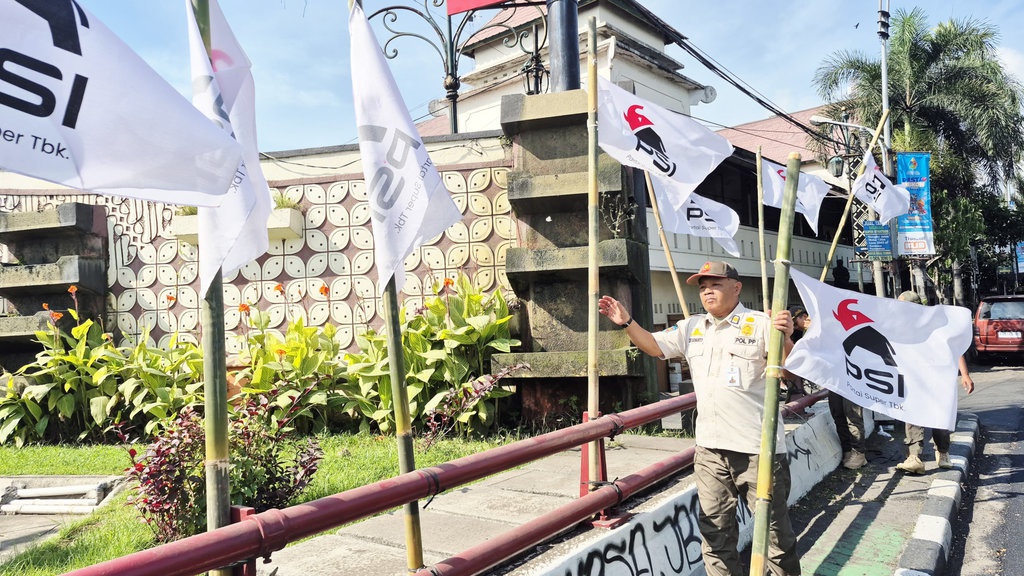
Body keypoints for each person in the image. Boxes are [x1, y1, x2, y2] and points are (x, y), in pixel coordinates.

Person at [599, 260, 801, 576]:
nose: (707, 290)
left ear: (736, 288)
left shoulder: (762, 324)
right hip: (710, 451)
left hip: (758, 452)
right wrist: (627, 323)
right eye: (702, 286)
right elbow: (653, 346)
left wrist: (786, 339)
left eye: (715, 284)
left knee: (773, 536)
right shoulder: (691, 328)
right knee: (715, 534)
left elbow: (790, 372)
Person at [894, 290, 975, 474]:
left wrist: (965, 374)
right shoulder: (899, 327)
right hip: (913, 379)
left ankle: (943, 451)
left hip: (938, 377)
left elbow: (954, 349)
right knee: (913, 415)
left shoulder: (935, 326)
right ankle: (914, 456)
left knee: (939, 416)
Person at [789, 304, 866, 469]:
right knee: (837, 413)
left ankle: (858, 452)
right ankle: (847, 450)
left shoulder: (830, 328)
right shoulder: (805, 334)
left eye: (802, 318)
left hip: (850, 376)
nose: (804, 321)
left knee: (852, 414)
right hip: (833, 379)